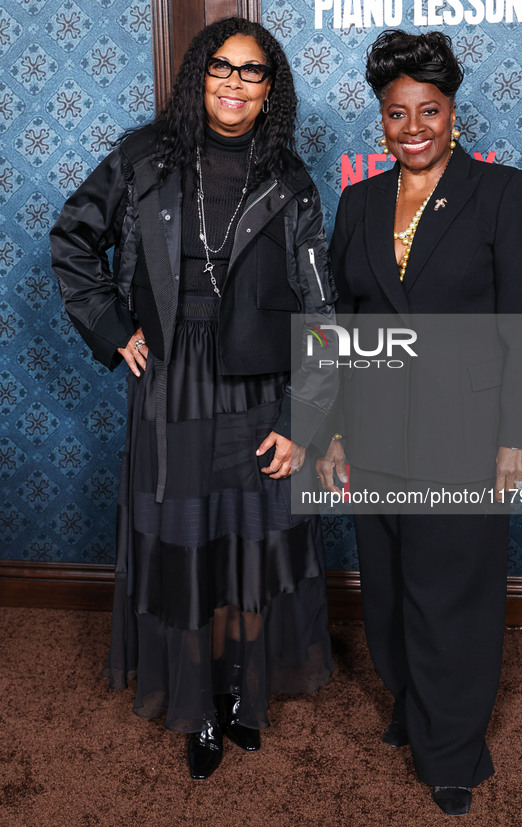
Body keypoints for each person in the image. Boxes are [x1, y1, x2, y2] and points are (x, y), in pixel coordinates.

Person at [50, 17, 337, 781]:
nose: (234, 84)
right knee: (185, 543)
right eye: (221, 68)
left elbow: (320, 309)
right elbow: (72, 238)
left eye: (252, 72)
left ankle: (243, 690)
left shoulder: (290, 175)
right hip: (173, 378)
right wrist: (114, 328)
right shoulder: (143, 157)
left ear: (269, 89)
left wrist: (301, 419)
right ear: (197, 76)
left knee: (251, 538)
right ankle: (197, 704)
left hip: (260, 382)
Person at [316, 30, 522, 816]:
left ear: (452, 112)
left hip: (465, 434)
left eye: (429, 109)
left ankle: (451, 748)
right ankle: (412, 702)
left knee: (451, 593)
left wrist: (517, 433)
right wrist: (331, 432)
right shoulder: (357, 202)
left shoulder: (500, 192)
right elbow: (342, 325)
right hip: (376, 433)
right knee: (385, 590)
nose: (412, 127)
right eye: (395, 113)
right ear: (378, 121)